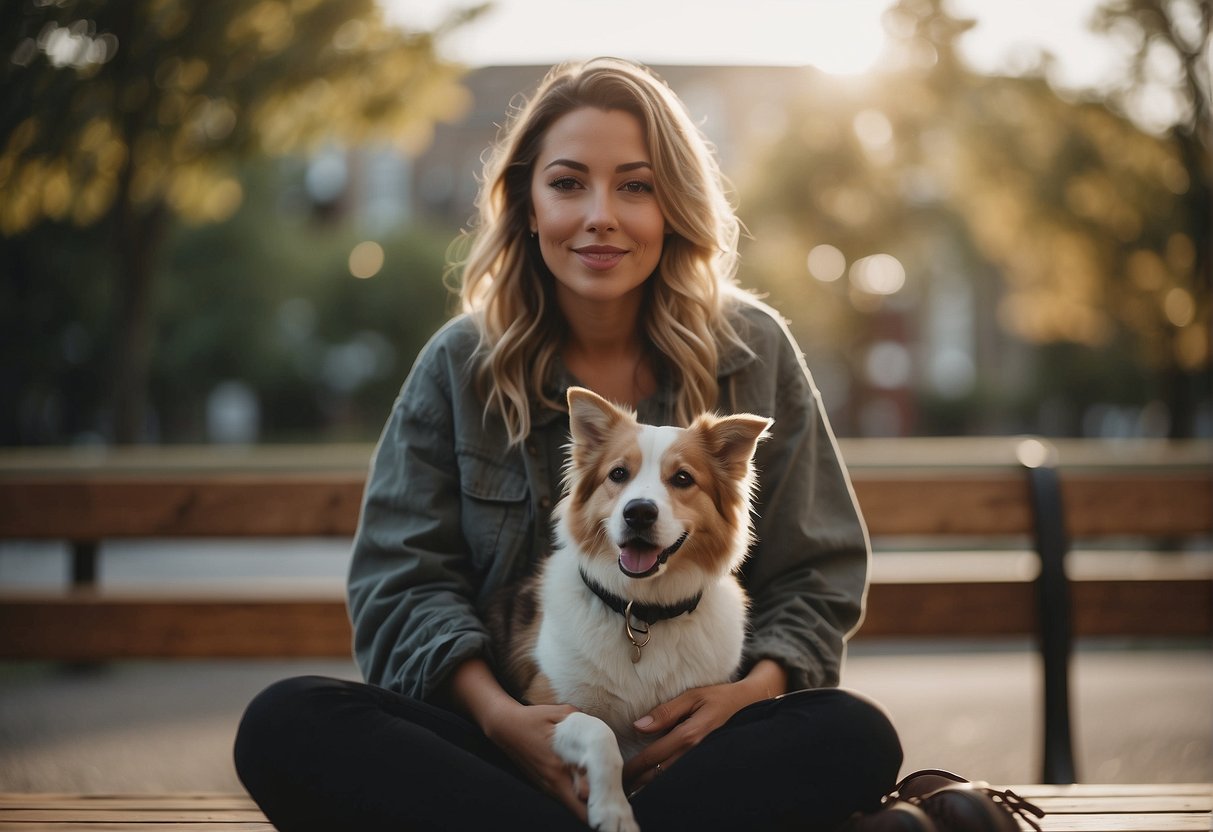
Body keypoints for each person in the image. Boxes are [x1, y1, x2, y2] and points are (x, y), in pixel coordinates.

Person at [234, 57, 903, 831]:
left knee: (852, 733)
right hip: (499, 746)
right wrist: (499, 721)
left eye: (635, 185)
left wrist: (742, 699)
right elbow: (399, 585)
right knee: (285, 721)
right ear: (526, 204)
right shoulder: (458, 365)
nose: (600, 215)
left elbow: (817, 572)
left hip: (696, 749)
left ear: (674, 205)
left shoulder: (751, 350)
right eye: (567, 183)